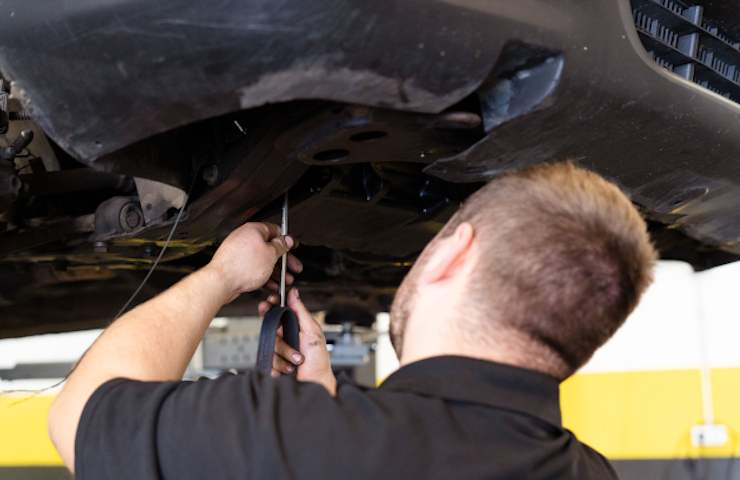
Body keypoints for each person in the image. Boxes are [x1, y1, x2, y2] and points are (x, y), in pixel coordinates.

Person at [47, 162, 657, 480]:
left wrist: (221, 276)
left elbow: (80, 414)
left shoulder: (297, 440)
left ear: (453, 251)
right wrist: (323, 407)